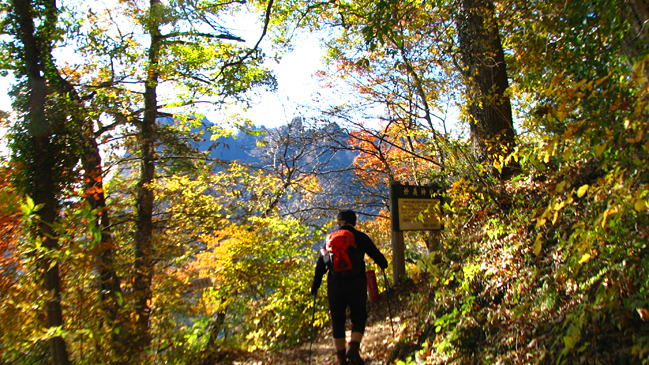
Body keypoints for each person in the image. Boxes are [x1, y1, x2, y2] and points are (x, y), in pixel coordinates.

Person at [311, 209, 389, 365]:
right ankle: (353, 349)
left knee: (337, 321)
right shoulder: (360, 237)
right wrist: (383, 264)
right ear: (355, 222)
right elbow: (376, 255)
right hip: (356, 283)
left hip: (335, 284)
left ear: (339, 222)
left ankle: (341, 358)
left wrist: (315, 285)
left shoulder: (329, 239)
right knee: (359, 316)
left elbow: (321, 265)